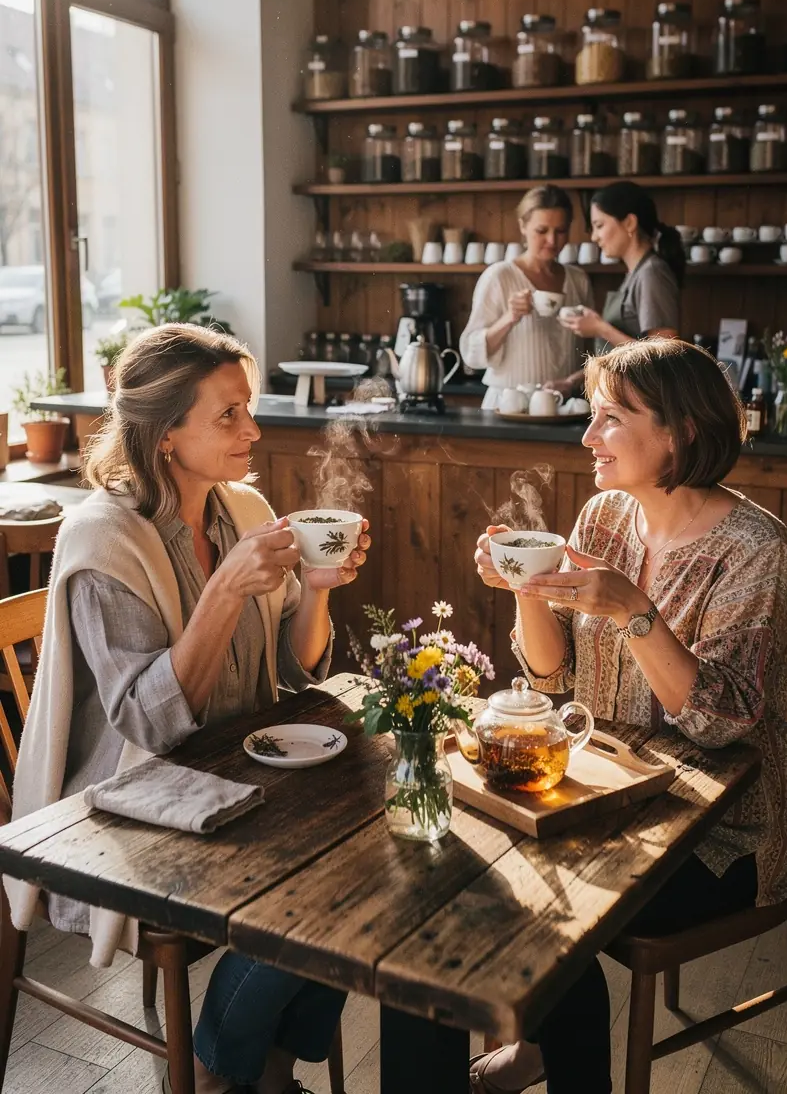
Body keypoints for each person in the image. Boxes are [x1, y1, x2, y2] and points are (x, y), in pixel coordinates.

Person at [8, 324, 371, 1094]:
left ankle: (266, 1067)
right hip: (127, 801)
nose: (253, 430)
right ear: (166, 432)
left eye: (248, 409)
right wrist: (227, 589)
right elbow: (149, 724)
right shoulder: (105, 538)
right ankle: (213, 1070)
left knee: (375, 854)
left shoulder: (240, 508)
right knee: (318, 888)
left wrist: (314, 590)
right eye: (229, 415)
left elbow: (291, 672)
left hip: (237, 774)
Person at [471, 338, 787, 1094]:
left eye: (612, 419)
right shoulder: (606, 515)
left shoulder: (756, 550)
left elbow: (722, 724)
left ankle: (548, 1055)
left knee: (554, 909)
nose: (588, 437)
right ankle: (541, 1046)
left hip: (726, 826)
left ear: (681, 431)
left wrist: (637, 612)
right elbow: (553, 675)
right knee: (487, 857)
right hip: (613, 786)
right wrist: (525, 586)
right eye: (591, 417)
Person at [459, 186, 593, 408]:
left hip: (564, 406)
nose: (552, 240)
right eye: (542, 230)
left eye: (560, 231)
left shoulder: (579, 279)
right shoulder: (499, 276)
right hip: (507, 406)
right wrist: (509, 318)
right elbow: (471, 354)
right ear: (523, 226)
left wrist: (572, 382)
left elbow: (592, 353)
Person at [556, 180, 682, 366]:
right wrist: (570, 382)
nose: (594, 237)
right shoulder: (635, 273)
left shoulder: (651, 273)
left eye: (599, 225)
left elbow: (664, 357)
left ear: (630, 223)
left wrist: (600, 328)